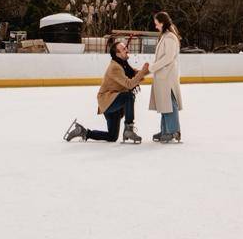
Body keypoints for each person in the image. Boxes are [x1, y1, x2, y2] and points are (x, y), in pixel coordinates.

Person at [64, 37, 149, 144]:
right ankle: (129, 129)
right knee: (128, 96)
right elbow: (129, 84)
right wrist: (143, 72)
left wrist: (151, 69)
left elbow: (136, 73)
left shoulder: (123, 64)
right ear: (117, 54)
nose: (127, 50)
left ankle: (83, 132)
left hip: (114, 100)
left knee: (112, 136)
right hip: (108, 101)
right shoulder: (115, 67)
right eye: (124, 49)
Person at [150, 11, 183, 143]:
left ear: (162, 23)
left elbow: (168, 57)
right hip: (163, 74)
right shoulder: (165, 36)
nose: (156, 26)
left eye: (157, 23)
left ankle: (173, 131)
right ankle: (165, 130)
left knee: (169, 103)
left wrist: (153, 67)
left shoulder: (170, 37)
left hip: (167, 75)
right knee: (164, 102)